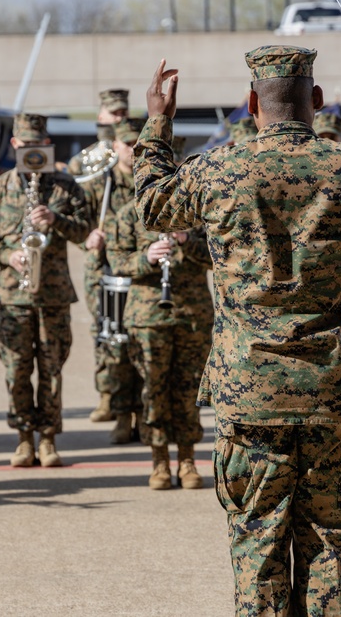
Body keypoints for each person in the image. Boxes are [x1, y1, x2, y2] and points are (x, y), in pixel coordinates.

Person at [134, 48, 341, 616]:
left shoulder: (218, 169)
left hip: (251, 396)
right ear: (317, 102)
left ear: (252, 104)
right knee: (330, 545)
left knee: (258, 545)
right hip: (334, 394)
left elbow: (152, 205)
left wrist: (159, 120)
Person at [0, 113, 90, 467]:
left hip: (54, 295)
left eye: (39, 145)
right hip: (14, 295)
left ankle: (48, 438)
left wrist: (56, 220)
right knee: (16, 369)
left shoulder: (65, 186)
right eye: (26, 146)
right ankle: (23, 437)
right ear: (14, 145)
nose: (33, 151)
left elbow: (87, 231)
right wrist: (6, 255)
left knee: (52, 370)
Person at [106, 199, 213, 489]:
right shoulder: (130, 213)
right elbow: (116, 260)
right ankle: (160, 460)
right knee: (154, 389)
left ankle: (188, 459)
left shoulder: (197, 210)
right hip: (147, 316)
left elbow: (219, 257)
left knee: (189, 388)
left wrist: (186, 240)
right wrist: (147, 258)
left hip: (192, 315)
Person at [79, 117, 145, 443]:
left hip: (142, 277)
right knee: (114, 347)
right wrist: (86, 238)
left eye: (137, 143)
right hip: (106, 276)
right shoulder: (99, 184)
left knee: (144, 350)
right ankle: (121, 414)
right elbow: (76, 221)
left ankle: (144, 416)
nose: (133, 150)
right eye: (127, 143)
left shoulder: (151, 182)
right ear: (115, 145)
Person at [67, 88, 130, 177]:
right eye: (114, 113)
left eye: (123, 113)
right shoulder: (81, 162)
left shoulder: (141, 153)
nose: (120, 118)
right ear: (100, 117)